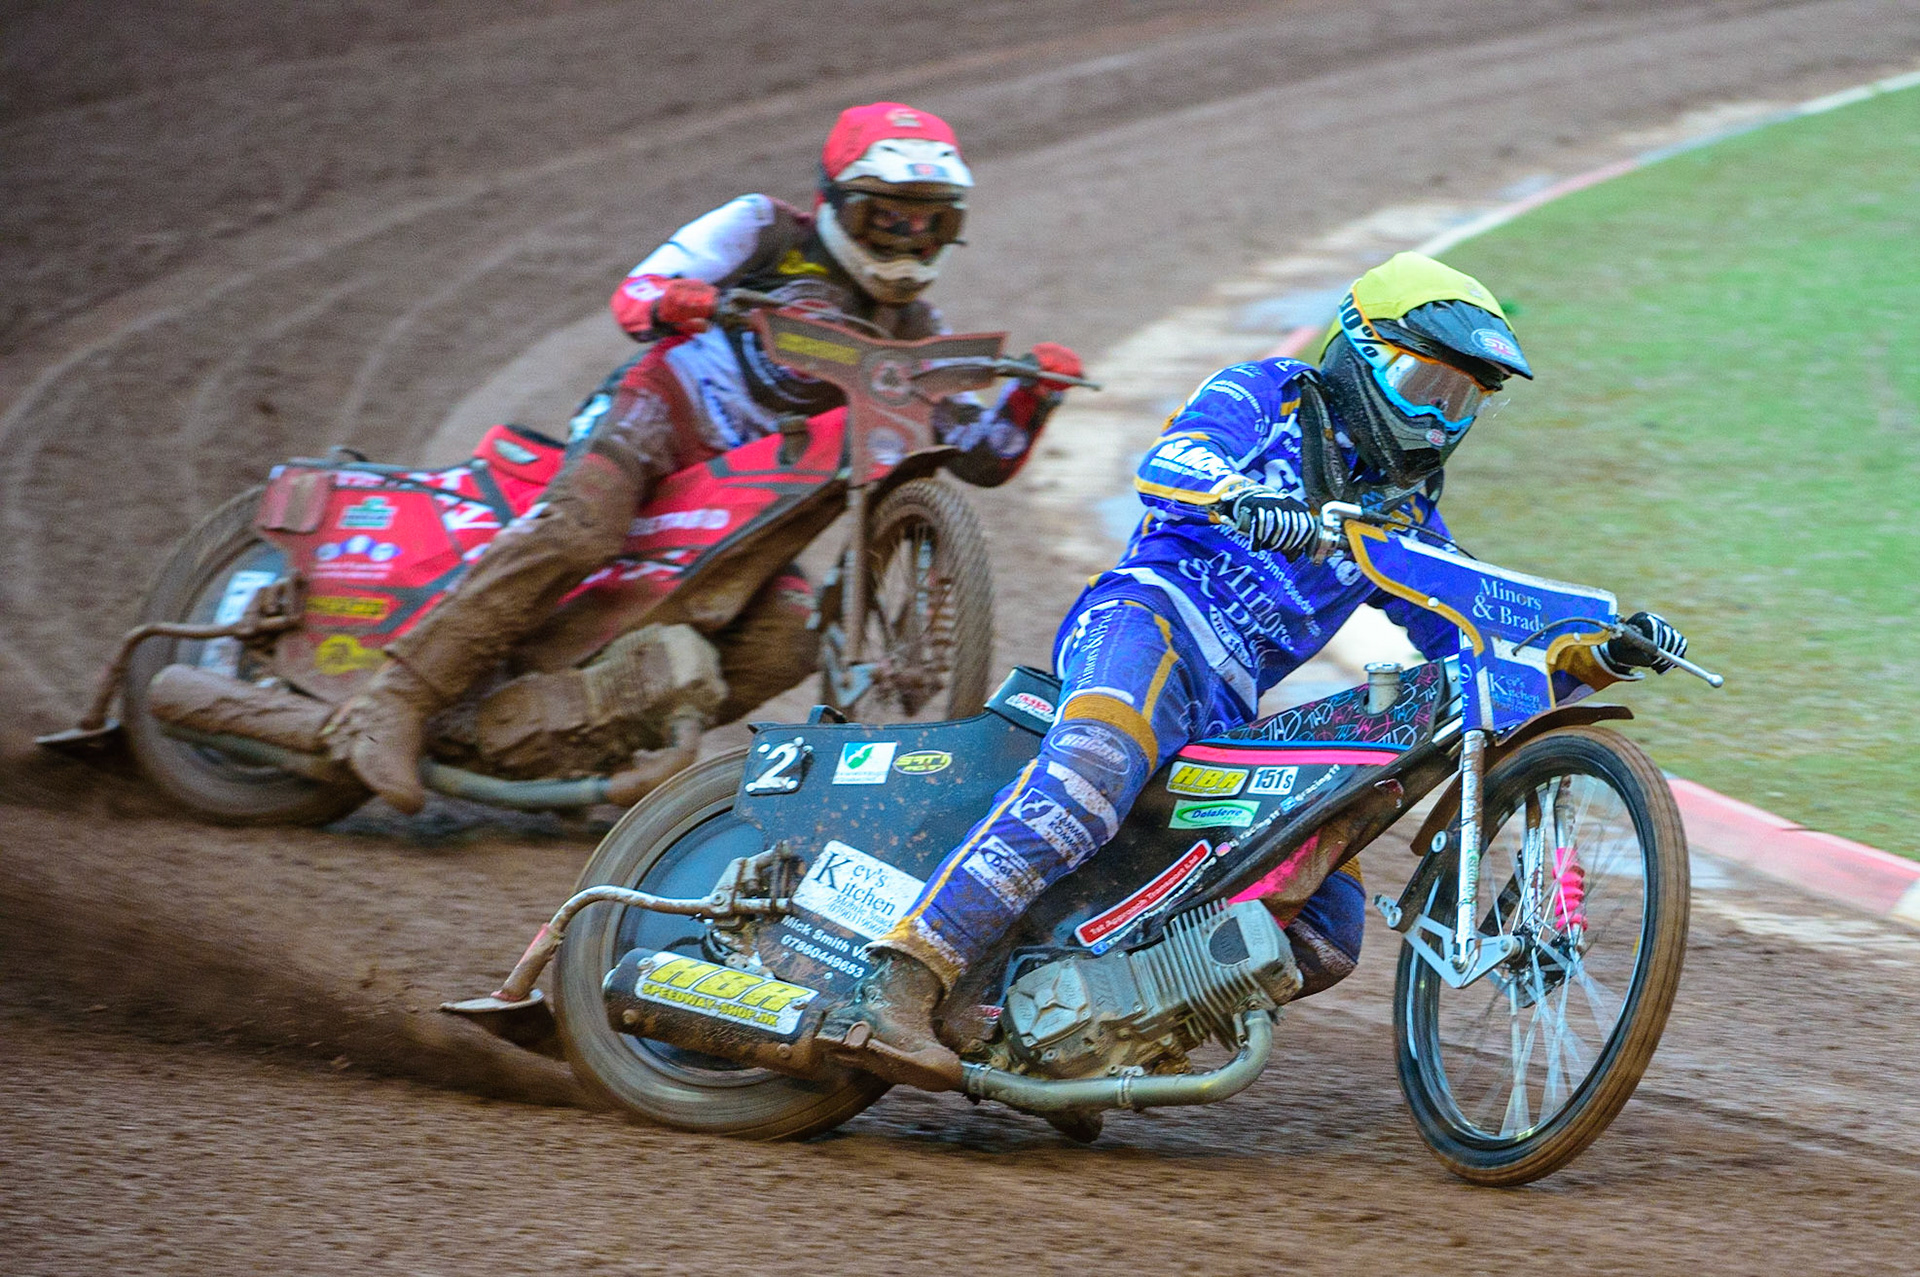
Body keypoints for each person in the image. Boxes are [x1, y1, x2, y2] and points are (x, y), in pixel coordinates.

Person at [822, 251, 1690, 1088]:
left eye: (1462, 401)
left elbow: (1465, 640)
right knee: (1095, 768)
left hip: (1228, 706)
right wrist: (1243, 497)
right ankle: (902, 977)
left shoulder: (1404, 515)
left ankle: (1086, 1030)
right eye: (1426, 386)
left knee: (1328, 926)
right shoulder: (1264, 392)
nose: (1438, 418)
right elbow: (1170, 465)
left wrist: (1593, 654)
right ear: (1358, 354)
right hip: (1148, 620)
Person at [326, 102, 1084, 813]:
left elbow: (975, 458)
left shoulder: (918, 326)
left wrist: (1031, 399)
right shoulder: (762, 229)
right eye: (886, 216)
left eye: (928, 223)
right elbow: (637, 293)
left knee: (790, 630)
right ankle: (396, 699)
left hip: (754, 490)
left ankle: (588, 744)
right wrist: (681, 301)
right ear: (836, 201)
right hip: (665, 415)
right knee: (579, 533)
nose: (906, 239)